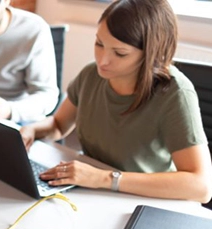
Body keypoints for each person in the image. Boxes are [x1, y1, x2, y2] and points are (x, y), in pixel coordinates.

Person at [20, 0, 212, 203]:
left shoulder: (175, 93)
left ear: (150, 53)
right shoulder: (91, 75)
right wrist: (32, 129)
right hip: (93, 194)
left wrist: (104, 178)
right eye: (99, 44)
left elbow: (202, 186)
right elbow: (58, 125)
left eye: (120, 53)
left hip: (145, 202)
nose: (102, 60)